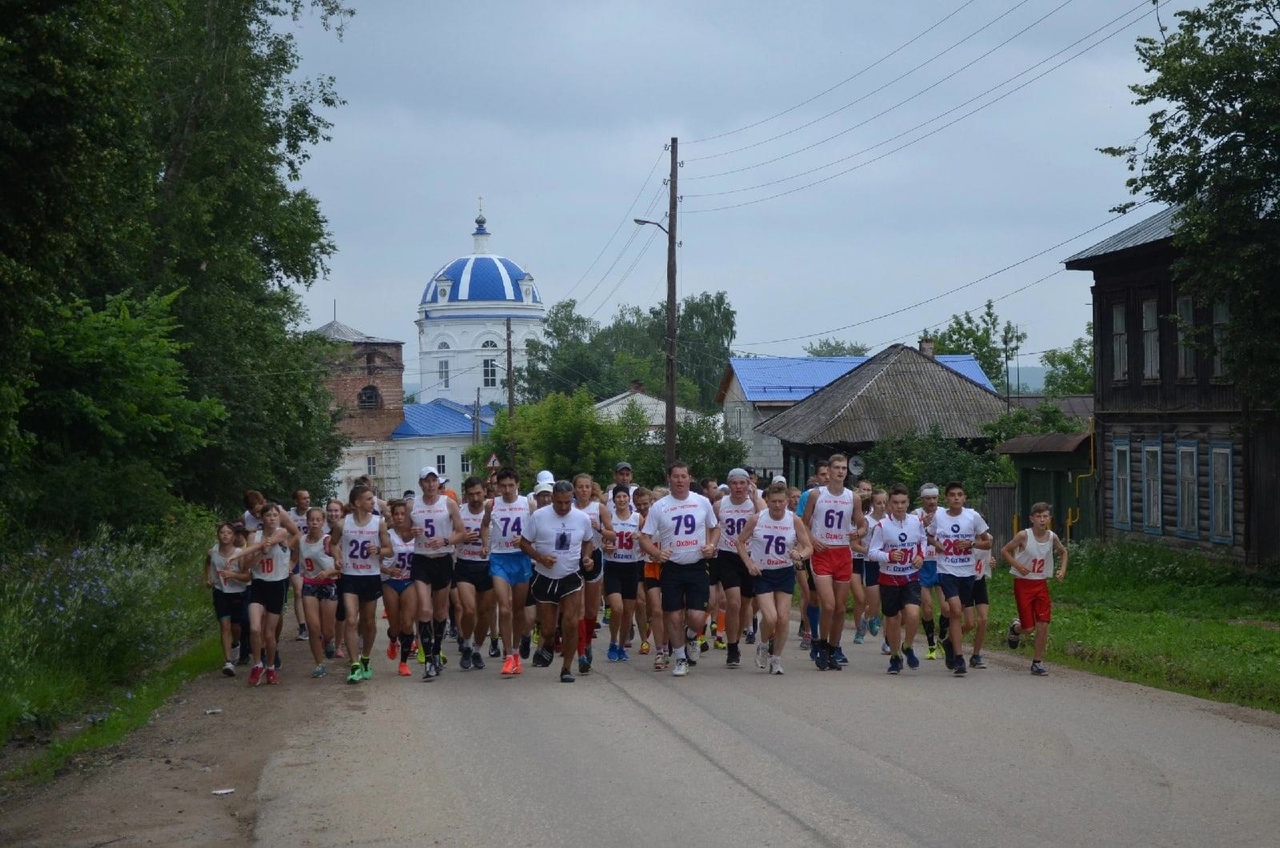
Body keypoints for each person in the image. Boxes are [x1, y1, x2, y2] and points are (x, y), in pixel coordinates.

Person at [639, 462, 719, 678]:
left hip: (697, 565)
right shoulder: (659, 507)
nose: (680, 480)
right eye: (676, 477)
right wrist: (656, 554)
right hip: (672, 567)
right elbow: (644, 538)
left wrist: (711, 545)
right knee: (673, 616)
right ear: (669, 479)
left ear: (690, 478)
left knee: (696, 616)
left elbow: (715, 527)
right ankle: (680, 658)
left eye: (684, 476)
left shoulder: (702, 502)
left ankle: (691, 635)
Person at [518, 480, 594, 683]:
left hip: (571, 576)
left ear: (573, 499)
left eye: (567, 502)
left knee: (570, 622)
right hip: (545, 577)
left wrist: (587, 557)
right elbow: (523, 543)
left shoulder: (582, 518)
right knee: (548, 629)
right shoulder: (539, 516)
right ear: (552, 499)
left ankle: (566, 668)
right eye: (559, 502)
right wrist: (540, 557)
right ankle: (549, 644)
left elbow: (588, 541)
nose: (563, 507)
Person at [738, 483, 813, 675]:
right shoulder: (757, 519)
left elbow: (808, 547)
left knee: (783, 618)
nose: (778, 505)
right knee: (770, 618)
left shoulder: (793, 520)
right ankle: (763, 645)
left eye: (781, 501)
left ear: (787, 502)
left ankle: (776, 659)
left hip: (784, 571)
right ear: (768, 501)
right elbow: (739, 542)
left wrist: (800, 555)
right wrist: (748, 563)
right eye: (774, 502)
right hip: (763, 572)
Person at [801, 453, 866, 670]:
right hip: (822, 553)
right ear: (828, 471)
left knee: (839, 608)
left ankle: (832, 648)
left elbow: (862, 524)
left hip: (843, 554)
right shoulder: (816, 495)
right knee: (827, 605)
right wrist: (812, 540)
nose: (840, 471)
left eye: (843, 468)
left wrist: (858, 533)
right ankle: (819, 644)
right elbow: (803, 524)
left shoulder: (853, 497)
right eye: (836, 467)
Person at [230, 503, 299, 686]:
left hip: (277, 585)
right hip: (258, 584)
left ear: (279, 517)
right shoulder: (254, 536)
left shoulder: (282, 532)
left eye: (275, 515)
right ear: (262, 518)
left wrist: (269, 547)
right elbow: (246, 566)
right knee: (254, 628)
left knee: (269, 634)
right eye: (268, 515)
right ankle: (257, 665)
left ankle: (270, 667)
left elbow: (274, 541)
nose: (272, 518)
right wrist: (256, 554)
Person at [928, 481, 993, 676]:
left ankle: (949, 645)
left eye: (960, 494)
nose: (956, 498)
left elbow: (988, 542)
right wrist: (936, 544)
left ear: (964, 498)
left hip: (967, 571)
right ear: (946, 498)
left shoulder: (972, 516)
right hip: (947, 570)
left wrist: (972, 543)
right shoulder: (939, 516)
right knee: (955, 610)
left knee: (961, 613)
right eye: (952, 495)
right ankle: (959, 658)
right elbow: (928, 535)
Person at [330, 485, 393, 684]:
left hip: (371, 575)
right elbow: (333, 544)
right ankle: (354, 664)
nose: (373, 502)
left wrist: (378, 550)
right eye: (368, 499)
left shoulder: (378, 523)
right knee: (350, 619)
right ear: (357, 503)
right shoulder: (342, 524)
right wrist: (338, 557)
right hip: (350, 575)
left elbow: (389, 550)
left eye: (373, 499)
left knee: (368, 622)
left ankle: (365, 657)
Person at [410, 466, 466, 681]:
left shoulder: (448, 503)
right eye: (427, 481)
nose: (431, 485)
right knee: (425, 609)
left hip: (442, 559)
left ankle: (435, 651)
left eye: (435, 481)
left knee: (441, 611)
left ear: (439, 484)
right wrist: (411, 532)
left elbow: (461, 533)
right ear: (421, 484)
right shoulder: (412, 504)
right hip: (421, 559)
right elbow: (405, 532)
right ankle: (427, 659)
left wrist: (445, 540)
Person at [865, 484, 927, 675]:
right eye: (895, 503)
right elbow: (872, 552)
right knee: (892, 620)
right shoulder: (882, 526)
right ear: (890, 504)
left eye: (903, 502)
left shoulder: (916, 522)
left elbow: (923, 541)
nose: (899, 506)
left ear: (908, 503)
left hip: (910, 577)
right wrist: (889, 556)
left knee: (913, 614)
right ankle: (895, 656)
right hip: (889, 578)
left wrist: (921, 556)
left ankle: (907, 646)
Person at [1001, 502, 1068, 676]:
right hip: (1023, 584)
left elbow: (1063, 552)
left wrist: (1062, 570)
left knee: (1043, 624)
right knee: (1028, 628)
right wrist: (1018, 565)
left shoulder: (1052, 537)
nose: (1042, 519)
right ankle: (1015, 628)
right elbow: (1005, 550)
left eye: (1045, 516)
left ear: (1049, 519)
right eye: (1038, 516)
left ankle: (1037, 662)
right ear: (1032, 518)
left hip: (1040, 583)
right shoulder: (1024, 535)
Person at [713, 468, 762, 668]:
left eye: (742, 483)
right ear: (729, 485)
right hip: (727, 555)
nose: (739, 487)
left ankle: (736, 640)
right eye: (734, 483)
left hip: (750, 557)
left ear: (748, 485)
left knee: (744, 605)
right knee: (733, 603)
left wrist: (756, 497)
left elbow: (766, 518)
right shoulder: (719, 505)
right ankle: (732, 647)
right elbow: (712, 527)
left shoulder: (755, 505)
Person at [486, 467, 533, 676]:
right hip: (499, 558)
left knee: (519, 610)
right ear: (497, 486)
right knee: (504, 608)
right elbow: (484, 526)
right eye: (502, 486)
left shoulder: (527, 504)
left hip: (521, 558)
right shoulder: (492, 504)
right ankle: (507, 655)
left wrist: (525, 541)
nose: (506, 489)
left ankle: (515, 652)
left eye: (510, 485)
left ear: (518, 485)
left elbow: (537, 530)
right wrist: (485, 543)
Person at [573, 473, 614, 674]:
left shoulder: (599, 508)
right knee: (579, 608)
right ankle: (581, 653)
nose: (583, 490)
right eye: (580, 487)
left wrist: (599, 529)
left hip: (595, 557)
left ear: (592, 489)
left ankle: (587, 642)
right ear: (574, 489)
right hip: (573, 558)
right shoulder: (569, 508)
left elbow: (612, 534)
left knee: (590, 610)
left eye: (587, 487)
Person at [454, 477, 494, 672]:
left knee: (485, 612)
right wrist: (461, 537)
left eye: (479, 493)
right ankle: (467, 644)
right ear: (466, 495)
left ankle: (477, 649)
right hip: (464, 565)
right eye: (471, 494)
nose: (475, 498)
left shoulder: (492, 510)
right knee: (469, 610)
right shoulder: (459, 513)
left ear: (484, 492)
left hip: (488, 566)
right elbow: (449, 536)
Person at [295, 506, 340, 678]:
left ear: (323, 522)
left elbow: (342, 566)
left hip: (328, 584)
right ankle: (319, 663)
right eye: (311, 519)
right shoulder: (302, 540)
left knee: (328, 631)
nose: (314, 523)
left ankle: (328, 641)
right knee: (313, 628)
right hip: (310, 584)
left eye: (317, 520)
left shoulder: (328, 541)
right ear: (307, 521)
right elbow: (296, 561)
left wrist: (329, 572)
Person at [380, 500, 419, 677]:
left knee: (407, 623)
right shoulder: (387, 535)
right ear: (392, 516)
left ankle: (403, 663)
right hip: (390, 581)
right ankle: (393, 639)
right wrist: (388, 570)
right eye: (396, 514)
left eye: (403, 514)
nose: (400, 517)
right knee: (395, 627)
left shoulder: (415, 533)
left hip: (410, 581)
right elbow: (374, 560)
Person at [603, 486, 642, 662]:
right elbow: (600, 540)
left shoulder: (637, 518)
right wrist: (605, 546)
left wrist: (639, 538)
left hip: (631, 567)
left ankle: (621, 645)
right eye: (618, 497)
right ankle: (612, 642)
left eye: (624, 496)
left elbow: (649, 538)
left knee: (628, 612)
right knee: (617, 608)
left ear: (629, 498)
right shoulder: (609, 518)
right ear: (613, 500)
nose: (621, 500)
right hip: (613, 566)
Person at [206, 522, 250, 677]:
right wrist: (209, 578)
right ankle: (229, 662)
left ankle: (235, 643)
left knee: (236, 626)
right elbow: (207, 564)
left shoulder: (239, 553)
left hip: (238, 593)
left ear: (233, 536)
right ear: (218, 535)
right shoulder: (213, 551)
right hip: (220, 592)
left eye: (228, 533)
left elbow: (247, 577)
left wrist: (233, 575)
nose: (225, 535)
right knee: (224, 625)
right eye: (222, 532)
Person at [914, 483, 944, 659]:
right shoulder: (915, 515)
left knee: (947, 608)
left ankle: (942, 639)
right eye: (928, 498)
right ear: (922, 499)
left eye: (935, 498)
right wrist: (920, 525)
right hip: (923, 565)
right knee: (928, 607)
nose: (932, 501)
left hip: (941, 564)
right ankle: (931, 644)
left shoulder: (945, 513)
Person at [324, 498, 349, 660]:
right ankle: (327, 639)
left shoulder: (347, 529)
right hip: (324, 576)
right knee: (325, 613)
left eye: (336, 511)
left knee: (341, 612)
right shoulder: (320, 528)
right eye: (330, 510)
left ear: (342, 513)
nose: (333, 514)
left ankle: (338, 644)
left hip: (342, 575)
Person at [287, 489, 312, 642]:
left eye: (308, 498)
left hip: (311, 557)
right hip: (295, 556)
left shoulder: (314, 513)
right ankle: (302, 627)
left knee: (312, 592)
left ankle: (315, 624)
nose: (307, 501)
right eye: (303, 498)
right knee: (298, 592)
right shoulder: (289, 515)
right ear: (296, 501)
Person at [969, 545, 993, 668]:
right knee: (969, 623)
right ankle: (950, 641)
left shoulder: (988, 538)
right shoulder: (963, 534)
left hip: (979, 581)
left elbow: (987, 559)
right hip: (964, 581)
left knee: (983, 619)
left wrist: (991, 562)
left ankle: (976, 655)